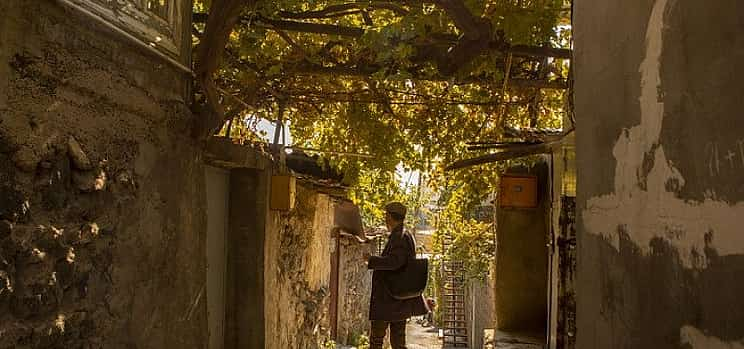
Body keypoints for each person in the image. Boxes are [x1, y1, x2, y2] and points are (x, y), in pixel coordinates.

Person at [365, 202, 429, 349]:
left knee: (377, 339)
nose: (385, 219)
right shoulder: (402, 235)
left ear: (390, 217)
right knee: (397, 340)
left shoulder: (400, 237)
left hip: (389, 299)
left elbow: (395, 262)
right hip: (397, 299)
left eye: (386, 215)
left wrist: (371, 260)